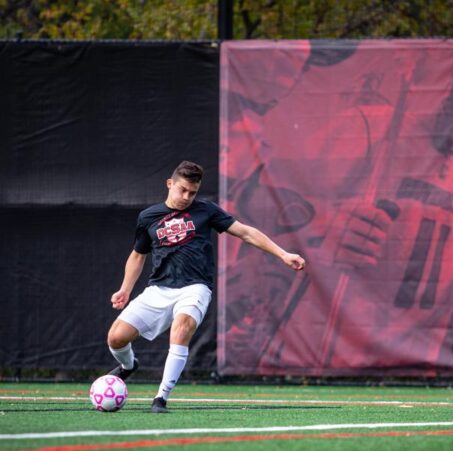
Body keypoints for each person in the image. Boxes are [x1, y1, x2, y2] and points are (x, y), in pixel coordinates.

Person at [106, 160, 306, 413]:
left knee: (182, 327)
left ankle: (161, 397)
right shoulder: (148, 217)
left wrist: (283, 254)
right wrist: (125, 289)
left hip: (195, 287)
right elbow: (138, 255)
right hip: (159, 289)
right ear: (170, 184)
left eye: (193, 192)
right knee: (116, 338)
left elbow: (245, 232)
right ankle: (128, 366)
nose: (187, 197)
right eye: (182, 190)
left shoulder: (206, 211)